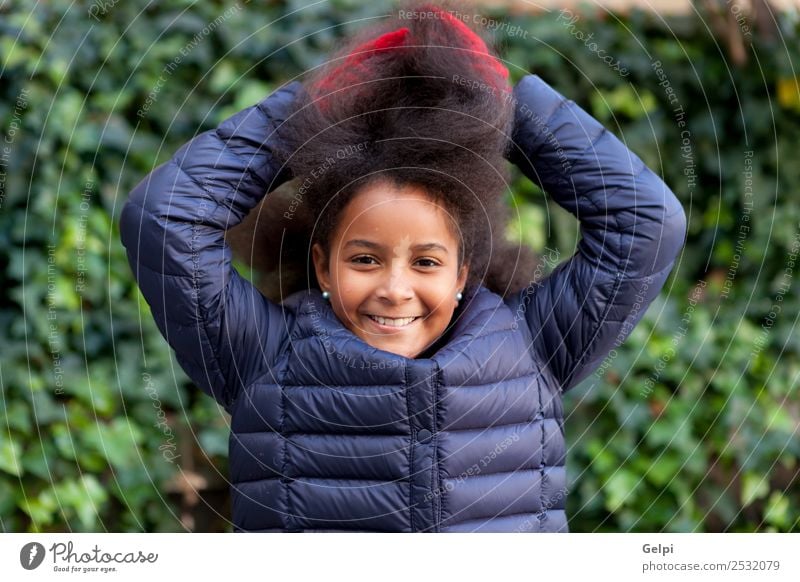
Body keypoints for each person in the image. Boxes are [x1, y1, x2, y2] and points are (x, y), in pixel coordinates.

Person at [119, 1, 686, 532]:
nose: (395, 289)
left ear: (461, 272)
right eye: (364, 259)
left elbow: (645, 223)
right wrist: (313, 106)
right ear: (322, 265)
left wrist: (496, 100)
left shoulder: (532, 344)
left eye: (426, 261)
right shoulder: (259, 356)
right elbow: (163, 220)